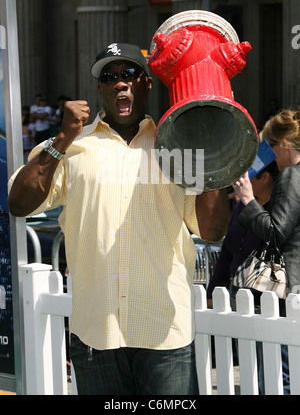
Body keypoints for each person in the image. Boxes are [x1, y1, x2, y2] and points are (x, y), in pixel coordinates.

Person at [7, 43, 229, 396]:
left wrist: (208, 150)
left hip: (165, 332)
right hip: (96, 332)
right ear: (100, 89)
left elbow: (213, 230)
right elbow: (18, 203)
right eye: (109, 77)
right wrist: (62, 138)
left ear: (147, 84)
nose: (120, 83)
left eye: (129, 74)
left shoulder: (174, 147)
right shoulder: (71, 146)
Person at [232, 109, 300, 395]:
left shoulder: (290, 176)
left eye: (269, 148)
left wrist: (248, 201)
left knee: (279, 374)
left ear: (283, 146)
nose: (268, 156)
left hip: (289, 290)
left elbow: (276, 232)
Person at [206, 161, 278, 309]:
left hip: (266, 297)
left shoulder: (278, 209)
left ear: (265, 177)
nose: (241, 180)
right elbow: (227, 252)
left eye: (247, 176)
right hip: (236, 292)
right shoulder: (241, 207)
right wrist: (211, 293)